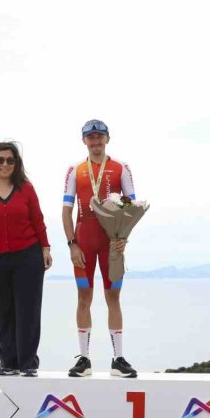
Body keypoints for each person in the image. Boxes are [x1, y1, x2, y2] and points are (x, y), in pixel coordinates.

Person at [0, 143, 52, 377]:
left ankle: (28, 363)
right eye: (0, 160)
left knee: (28, 310)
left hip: (28, 256)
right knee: (2, 311)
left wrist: (45, 248)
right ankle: (8, 362)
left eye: (10, 160)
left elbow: (38, 219)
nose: (5, 164)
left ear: (16, 164)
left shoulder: (26, 188)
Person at [62, 119, 137, 378]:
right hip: (83, 241)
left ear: (107, 138)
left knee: (113, 298)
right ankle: (84, 359)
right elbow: (66, 210)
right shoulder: (75, 170)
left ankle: (119, 359)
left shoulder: (121, 168)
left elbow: (132, 208)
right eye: (90, 137)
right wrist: (72, 244)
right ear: (84, 140)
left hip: (112, 243)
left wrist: (123, 238)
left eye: (99, 136)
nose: (95, 141)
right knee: (84, 298)